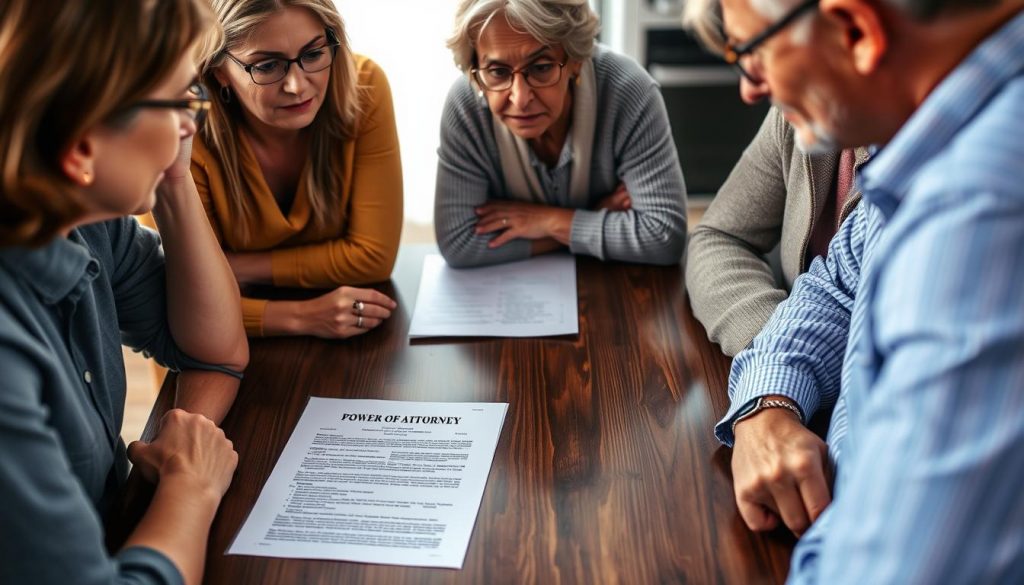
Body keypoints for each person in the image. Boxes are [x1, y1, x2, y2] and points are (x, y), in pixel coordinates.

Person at [709, 0, 1024, 582]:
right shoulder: (923, 144)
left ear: (857, 29)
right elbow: (830, 288)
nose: (750, 88)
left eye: (753, 51)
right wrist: (769, 403)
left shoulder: (982, 212)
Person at [0, 0, 250, 583]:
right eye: (177, 101)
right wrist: (191, 485)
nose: (192, 124)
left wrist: (175, 179)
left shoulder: (82, 219)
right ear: (82, 145)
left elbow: (213, 346)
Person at [194, 0, 401, 338]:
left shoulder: (364, 87)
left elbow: (373, 256)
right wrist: (301, 317)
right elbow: (187, 300)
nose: (297, 86)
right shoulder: (180, 126)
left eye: (313, 54)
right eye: (267, 66)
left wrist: (239, 268)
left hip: (344, 332)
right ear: (219, 71)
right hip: (211, 352)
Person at [435, 0, 688, 268]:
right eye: (498, 72)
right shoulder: (465, 106)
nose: (520, 98)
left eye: (541, 67)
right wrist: (592, 217)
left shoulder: (627, 91)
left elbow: (663, 236)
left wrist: (546, 221)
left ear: (576, 61)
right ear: (474, 71)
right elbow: (458, 243)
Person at [682, 0, 868, 357]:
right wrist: (776, 358)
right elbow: (717, 236)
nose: (748, 92)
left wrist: (785, 366)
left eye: (756, 50)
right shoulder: (796, 117)